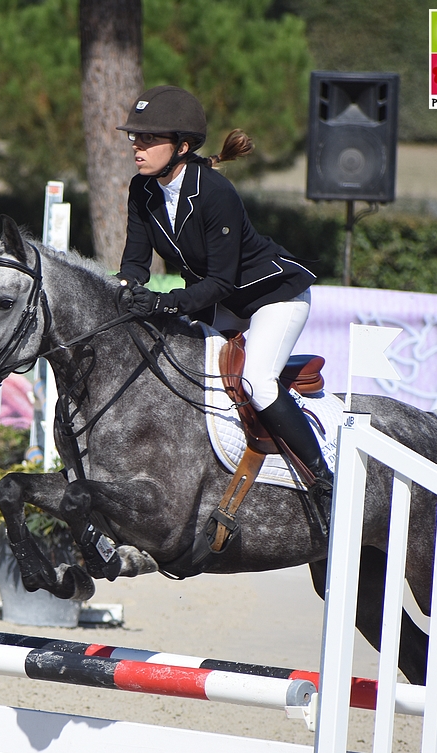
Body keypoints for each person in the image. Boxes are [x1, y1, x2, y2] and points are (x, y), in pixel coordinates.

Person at [116, 85, 332, 524]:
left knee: (257, 381)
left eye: (148, 138)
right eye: (134, 137)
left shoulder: (215, 193)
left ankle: (325, 479)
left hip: (272, 295)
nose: (136, 145)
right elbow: (134, 264)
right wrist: (121, 293)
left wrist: (164, 303)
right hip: (218, 296)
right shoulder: (141, 191)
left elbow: (219, 281)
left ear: (181, 146)